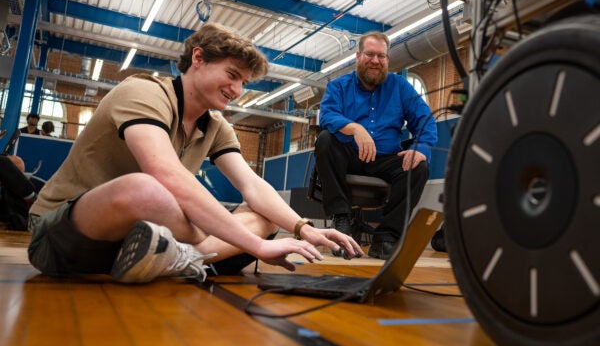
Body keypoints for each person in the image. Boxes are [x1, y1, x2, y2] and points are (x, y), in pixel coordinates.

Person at [27, 23, 362, 284]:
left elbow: (253, 187)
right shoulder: (143, 92)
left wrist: (304, 228)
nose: (237, 91)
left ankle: (169, 257)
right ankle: (191, 255)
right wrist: (256, 245)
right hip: (62, 238)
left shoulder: (216, 125)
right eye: (232, 75)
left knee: (264, 213)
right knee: (147, 189)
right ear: (198, 59)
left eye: (244, 82)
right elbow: (165, 176)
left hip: (138, 244)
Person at [315, 31, 438, 260]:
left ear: (387, 60)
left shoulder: (400, 87)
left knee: (419, 166)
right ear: (358, 56)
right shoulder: (339, 86)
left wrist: (421, 148)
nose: (375, 60)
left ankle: (386, 237)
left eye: (381, 56)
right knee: (325, 140)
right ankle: (341, 220)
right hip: (347, 156)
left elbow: (425, 120)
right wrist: (355, 128)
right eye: (370, 54)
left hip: (384, 159)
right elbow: (328, 116)